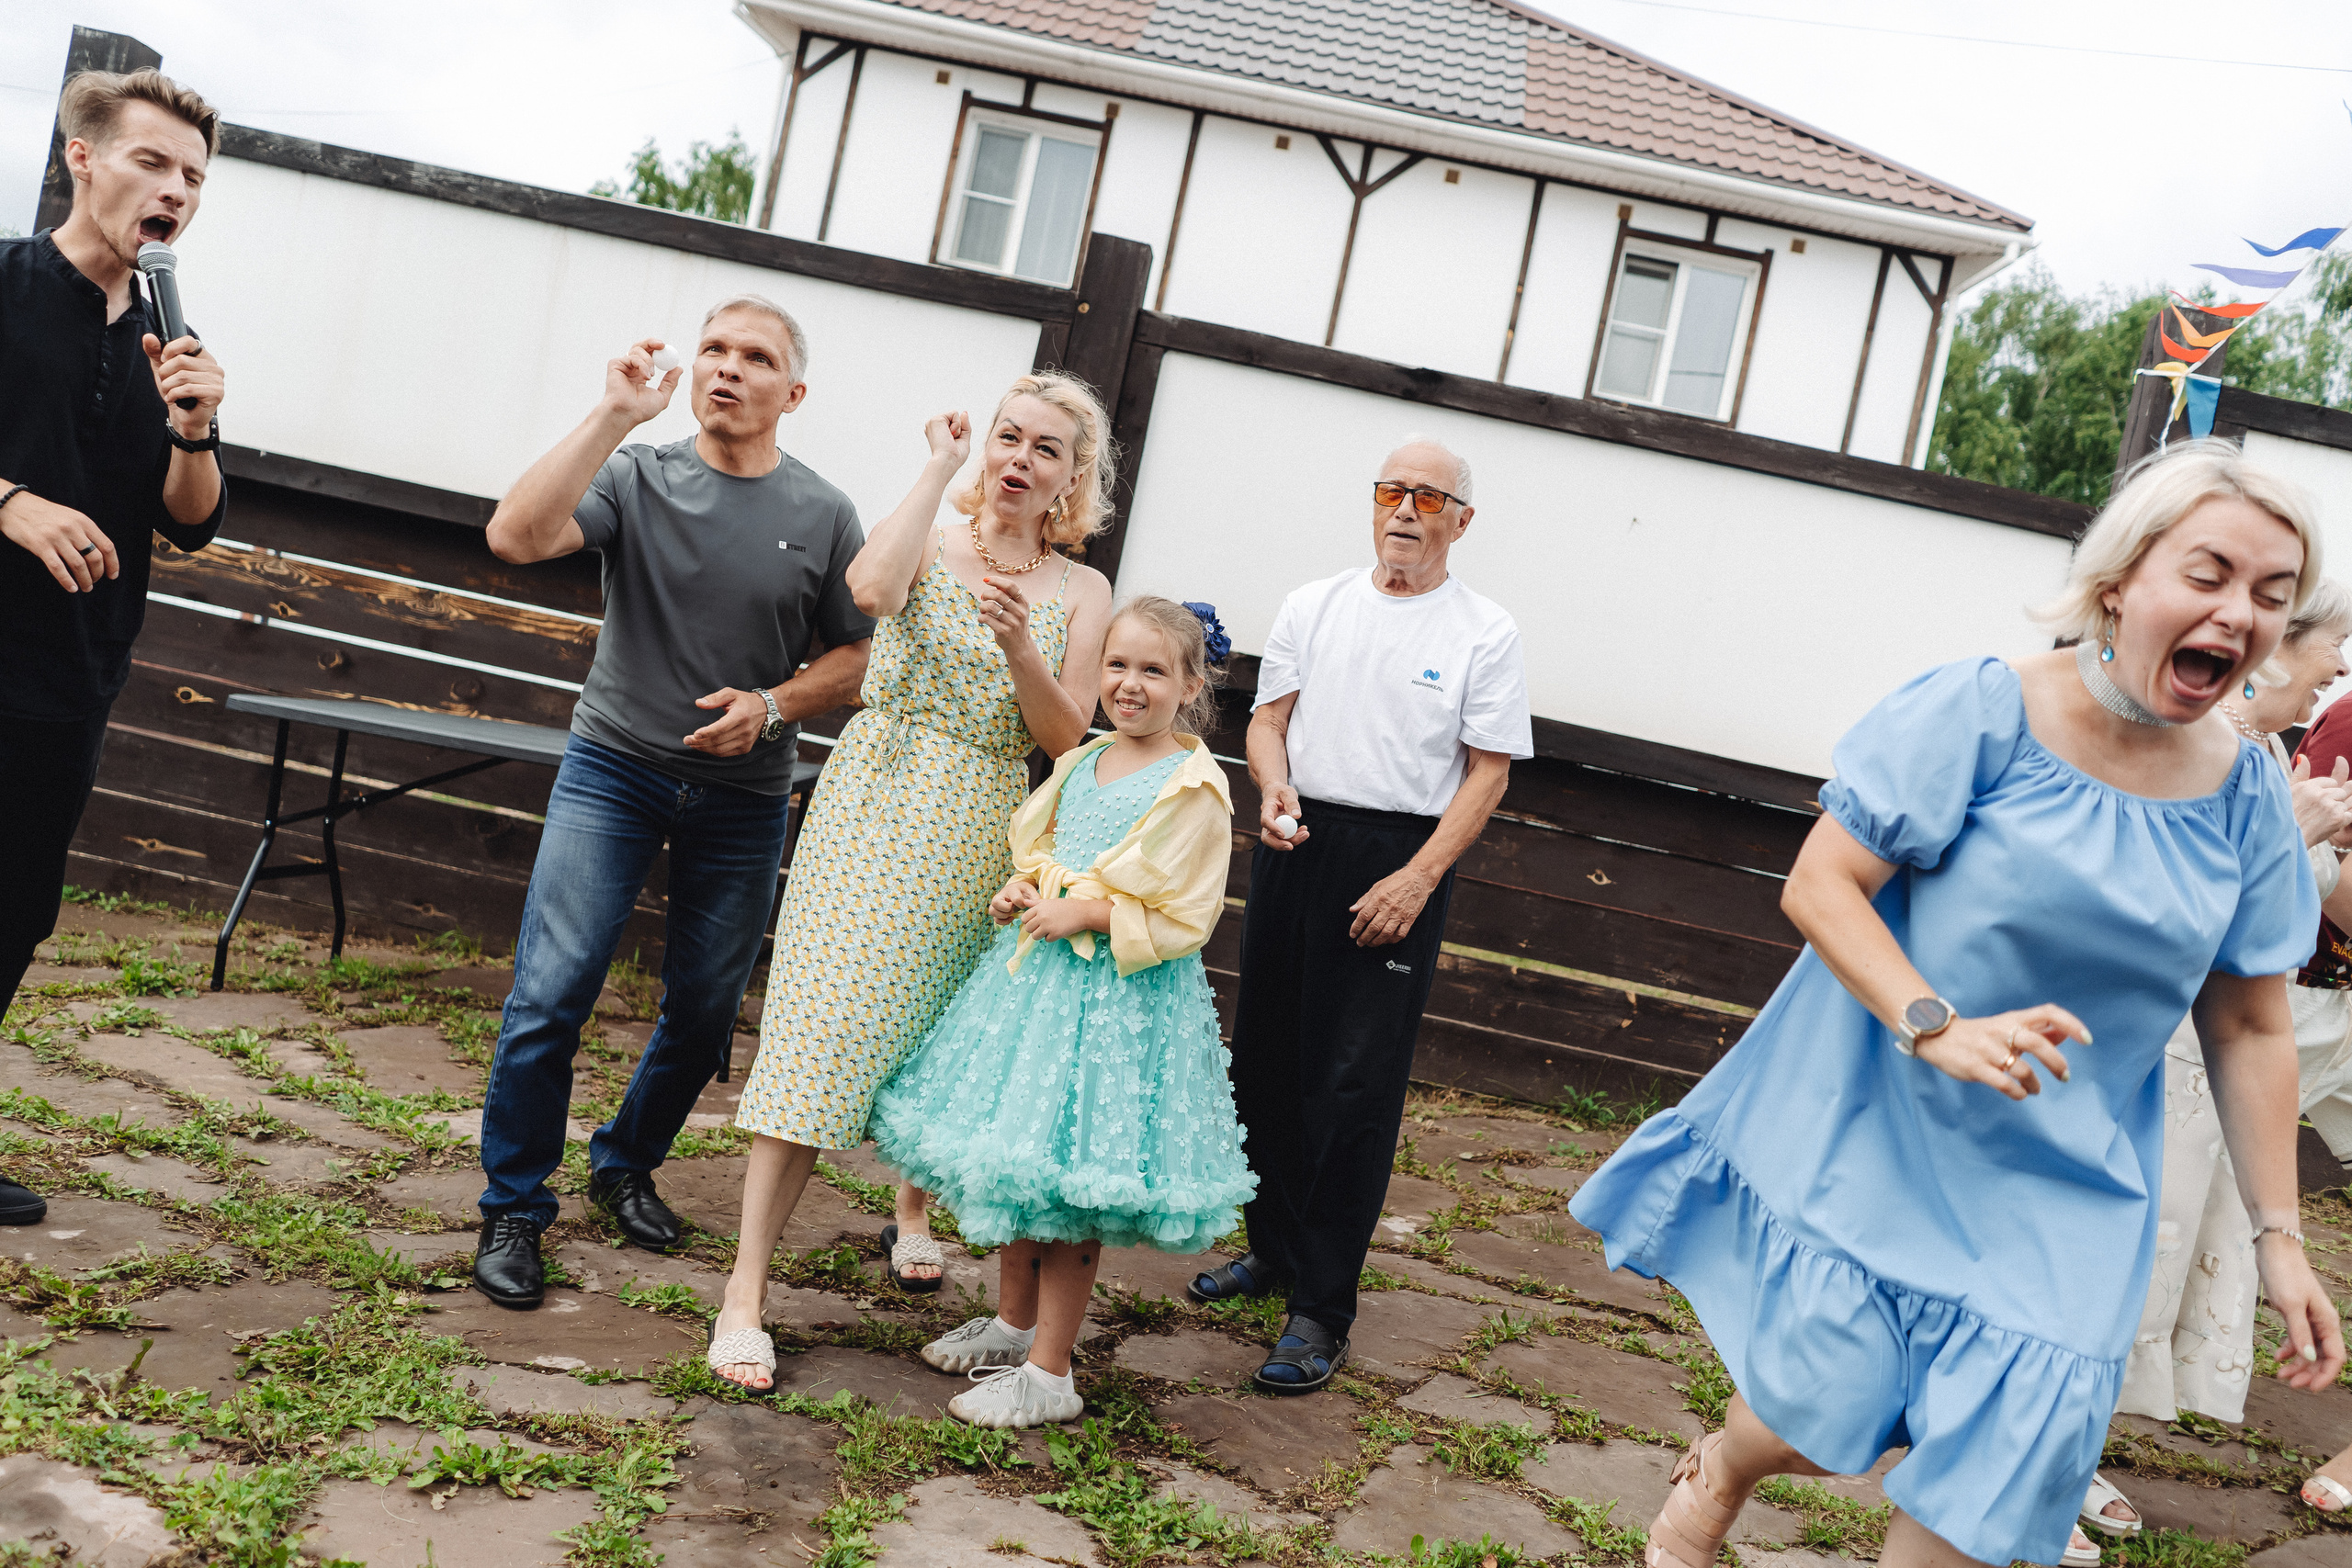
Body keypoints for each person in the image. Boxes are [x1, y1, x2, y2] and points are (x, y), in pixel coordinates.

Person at [1567, 438, 2346, 1568]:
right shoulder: (1985, 713)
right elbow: (1822, 883)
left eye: (2271, 595)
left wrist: (2280, 1239)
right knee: (1812, 1418)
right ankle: (1724, 1468)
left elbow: (2249, 1022)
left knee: (1992, 1485)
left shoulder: (2245, 799)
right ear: (2120, 578)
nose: (2239, 613)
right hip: (1893, 1138)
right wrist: (1932, 1023)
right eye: (2208, 574)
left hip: (2071, 1195)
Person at [707, 376, 1114, 1389]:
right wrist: (938, 468)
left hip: (981, 818)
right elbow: (871, 594)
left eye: (1046, 450)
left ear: (1072, 479)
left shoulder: (1082, 592)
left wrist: (1019, 645)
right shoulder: (929, 534)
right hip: (877, 794)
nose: (1020, 459)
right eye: (1009, 437)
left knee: (938, 1035)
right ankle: (744, 1295)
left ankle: (912, 1208)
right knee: (821, 1030)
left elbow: (1066, 738)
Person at [469, 296, 874, 1308]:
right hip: (613, 770)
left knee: (703, 1012)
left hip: (745, 795)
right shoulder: (636, 474)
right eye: (714, 350)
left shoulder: (824, 513)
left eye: (755, 357)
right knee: (550, 994)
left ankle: (624, 1162)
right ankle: (514, 1206)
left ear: (794, 393)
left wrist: (773, 706)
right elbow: (514, 535)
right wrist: (615, 413)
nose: (727, 367)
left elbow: (859, 655)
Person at [857, 596, 1255, 1428]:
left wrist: (1091, 912)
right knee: (1023, 1160)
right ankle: (1013, 1323)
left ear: (1191, 686)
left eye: (1154, 670)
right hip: (1037, 996)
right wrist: (1025, 885)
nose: (1130, 684)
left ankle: (1051, 1370)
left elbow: (1188, 910)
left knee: (1073, 1183)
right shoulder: (1085, 757)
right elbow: (1049, 851)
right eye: (1117, 665)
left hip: (1117, 1009)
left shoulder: (1194, 785)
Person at [1193, 437, 1532, 1396]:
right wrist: (1272, 787)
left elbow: (1488, 774)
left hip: (1398, 858)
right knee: (1266, 1061)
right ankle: (1272, 1251)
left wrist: (1417, 879)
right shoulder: (1315, 603)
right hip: (1298, 839)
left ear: (1461, 520)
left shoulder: (1484, 631)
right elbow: (1268, 721)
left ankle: (1322, 1308)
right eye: (1391, 491)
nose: (1405, 510)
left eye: (1427, 496)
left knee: (1353, 1086)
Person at [2076, 578, 2352, 1562]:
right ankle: (2046, 1464)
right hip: (2178, 1039)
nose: (2339, 668)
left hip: (2232, 1038)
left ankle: (2063, 1454)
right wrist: (2297, 832)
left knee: (2166, 1253)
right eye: (2330, 646)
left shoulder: (2270, 754)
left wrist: (2308, 834)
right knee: (2133, 1246)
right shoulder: (2212, 751)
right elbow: (2181, 893)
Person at [0, 68, 230, 1229]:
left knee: (14, 910)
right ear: (82, 158)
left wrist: (195, 427)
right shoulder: (3, 281)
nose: (175, 189)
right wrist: (10, 501)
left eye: (192, 175)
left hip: (73, 671)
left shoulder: (170, 337)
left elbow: (191, 520)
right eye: (152, 161)